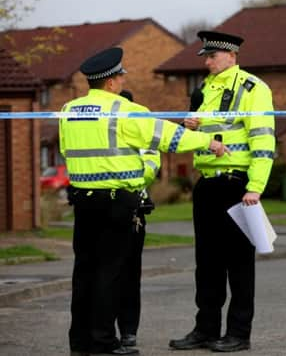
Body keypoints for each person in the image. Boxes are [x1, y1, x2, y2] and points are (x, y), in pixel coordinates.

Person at [61, 47, 229, 356]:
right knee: (111, 272)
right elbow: (168, 137)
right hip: (117, 202)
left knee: (84, 271)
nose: (124, 80)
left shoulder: (69, 109)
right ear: (111, 82)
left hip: (83, 202)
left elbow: (65, 151)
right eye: (121, 75)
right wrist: (208, 141)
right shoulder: (125, 111)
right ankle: (103, 342)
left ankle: (80, 341)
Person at [169, 31, 275, 352]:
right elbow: (204, 135)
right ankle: (206, 329)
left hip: (237, 185)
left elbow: (263, 139)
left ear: (231, 56)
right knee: (208, 262)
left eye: (212, 56)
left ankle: (239, 334)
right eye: (206, 56)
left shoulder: (253, 88)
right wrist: (192, 129)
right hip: (208, 185)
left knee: (239, 264)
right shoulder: (202, 91)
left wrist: (255, 187)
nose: (208, 61)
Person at [115, 90, 155, 349]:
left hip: (132, 209)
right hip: (107, 205)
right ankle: (106, 331)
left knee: (129, 273)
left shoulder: (141, 126)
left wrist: (138, 186)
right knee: (110, 273)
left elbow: (151, 162)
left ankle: (128, 331)